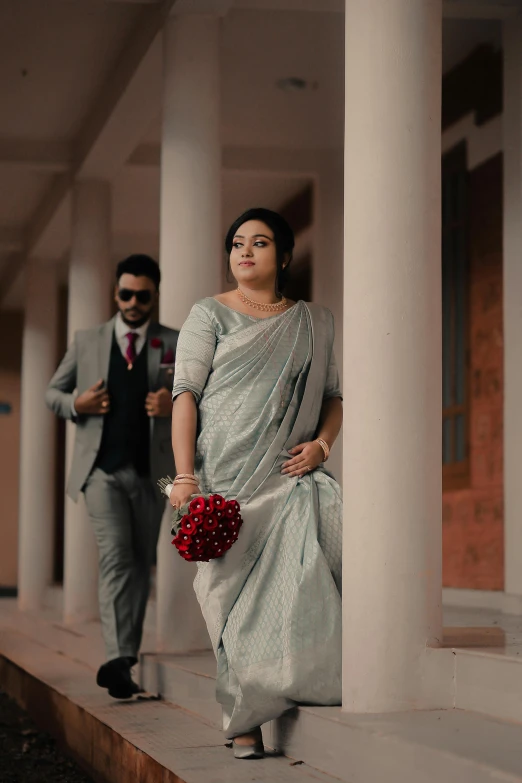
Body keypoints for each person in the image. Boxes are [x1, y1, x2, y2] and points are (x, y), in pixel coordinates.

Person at [169, 208, 343, 759]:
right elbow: (186, 396)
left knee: (291, 585)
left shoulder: (314, 321)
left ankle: (283, 685)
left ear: (284, 256)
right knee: (227, 596)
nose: (245, 252)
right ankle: (244, 715)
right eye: (237, 243)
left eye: (260, 243)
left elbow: (334, 396)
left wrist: (322, 446)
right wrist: (185, 475)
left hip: (287, 472)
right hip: (222, 474)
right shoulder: (208, 314)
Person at [46, 254, 178, 699]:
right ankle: (116, 656)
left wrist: (172, 406)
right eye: (127, 294)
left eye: (143, 295)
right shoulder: (87, 341)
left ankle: (125, 659)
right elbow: (52, 392)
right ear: (115, 293)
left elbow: (203, 399)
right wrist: (76, 405)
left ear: (154, 295)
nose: (134, 302)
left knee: (142, 563)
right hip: (100, 471)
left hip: (155, 475)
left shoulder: (173, 343)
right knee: (117, 556)